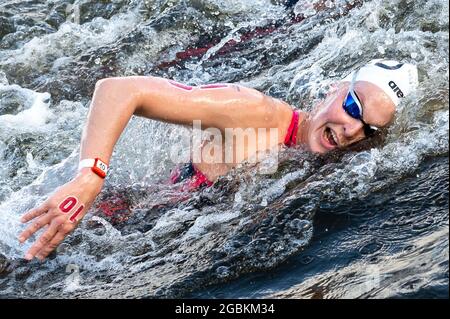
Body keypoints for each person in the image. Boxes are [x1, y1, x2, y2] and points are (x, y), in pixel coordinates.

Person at [18, 59, 418, 261]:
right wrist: (90, 175)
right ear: (332, 90)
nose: (351, 129)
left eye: (368, 129)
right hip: (115, 220)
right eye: (352, 105)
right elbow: (120, 89)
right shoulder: (254, 112)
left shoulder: (334, 161)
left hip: (161, 244)